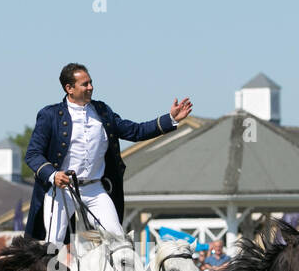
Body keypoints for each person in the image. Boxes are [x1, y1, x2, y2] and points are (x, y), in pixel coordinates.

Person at [24, 62, 191, 244]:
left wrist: (171, 119)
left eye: (91, 82)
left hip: (95, 189)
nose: (91, 87)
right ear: (69, 88)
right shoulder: (50, 115)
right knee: (52, 245)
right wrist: (53, 174)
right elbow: (33, 154)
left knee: (118, 241)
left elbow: (136, 131)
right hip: (62, 190)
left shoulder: (102, 111)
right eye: (85, 84)